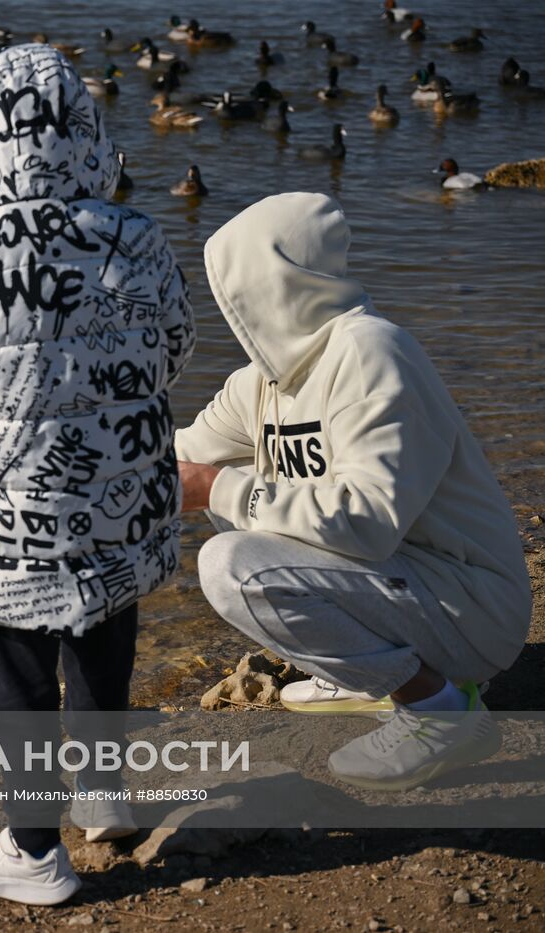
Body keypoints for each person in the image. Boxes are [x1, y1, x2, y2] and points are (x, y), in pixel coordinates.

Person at [0, 43, 195, 905]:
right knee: (105, 629)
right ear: (84, 131)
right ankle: (103, 794)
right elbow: (175, 348)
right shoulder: (136, 235)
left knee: (15, 666)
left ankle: (32, 851)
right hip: (122, 489)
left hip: (9, 499)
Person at [177, 192, 530, 789]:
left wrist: (216, 487)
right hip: (406, 583)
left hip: (473, 607)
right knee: (233, 508)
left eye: (237, 288)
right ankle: (360, 670)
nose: (231, 308)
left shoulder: (372, 353)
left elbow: (366, 523)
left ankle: (441, 711)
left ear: (277, 279)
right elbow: (181, 456)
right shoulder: (260, 384)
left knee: (232, 560)